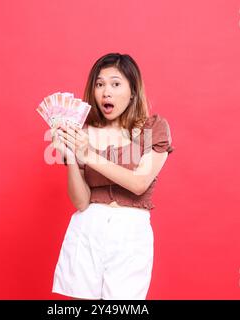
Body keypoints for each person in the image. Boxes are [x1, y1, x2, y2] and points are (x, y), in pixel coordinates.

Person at [50, 53, 174, 300]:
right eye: (99, 84)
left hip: (130, 232)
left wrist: (89, 154)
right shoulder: (82, 131)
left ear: (132, 90)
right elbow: (81, 202)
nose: (106, 92)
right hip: (87, 229)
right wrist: (72, 157)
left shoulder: (152, 129)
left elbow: (139, 183)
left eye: (115, 84)